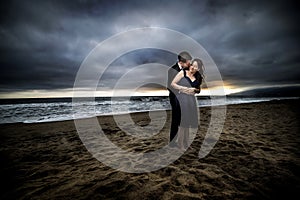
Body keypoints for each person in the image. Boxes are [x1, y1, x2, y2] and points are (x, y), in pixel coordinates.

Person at [171, 58, 204, 150]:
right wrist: (185, 89)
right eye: (192, 65)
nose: (193, 67)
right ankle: (180, 143)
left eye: (196, 66)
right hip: (182, 99)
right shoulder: (183, 73)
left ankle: (186, 143)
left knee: (187, 122)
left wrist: (195, 90)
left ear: (199, 69)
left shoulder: (198, 77)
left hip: (191, 100)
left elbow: (198, 90)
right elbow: (173, 84)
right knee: (183, 122)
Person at [167, 51, 193, 146]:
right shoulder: (172, 70)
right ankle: (172, 142)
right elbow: (169, 86)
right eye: (188, 61)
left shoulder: (187, 69)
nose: (189, 63)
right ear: (181, 61)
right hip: (175, 98)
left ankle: (183, 141)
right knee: (176, 120)